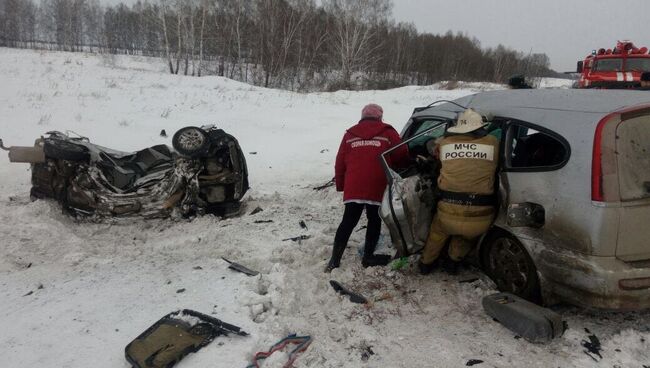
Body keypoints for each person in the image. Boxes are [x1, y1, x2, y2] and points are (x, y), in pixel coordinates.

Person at [325, 103, 409, 272]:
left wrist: (342, 185)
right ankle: (368, 257)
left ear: (362, 116)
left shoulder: (350, 134)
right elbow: (402, 153)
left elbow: (340, 161)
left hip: (354, 185)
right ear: (380, 116)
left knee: (348, 221)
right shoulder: (387, 132)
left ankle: (334, 260)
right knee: (374, 220)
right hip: (377, 184)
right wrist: (400, 168)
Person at [419, 108, 500, 275]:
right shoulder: (493, 143)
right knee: (466, 235)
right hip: (482, 215)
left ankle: (426, 263)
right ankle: (453, 261)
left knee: (437, 233)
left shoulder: (445, 144)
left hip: (449, 209)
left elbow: (431, 147)